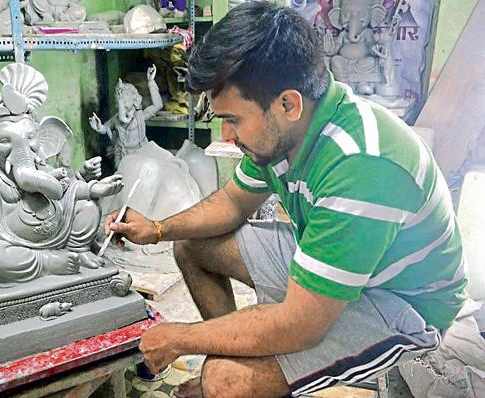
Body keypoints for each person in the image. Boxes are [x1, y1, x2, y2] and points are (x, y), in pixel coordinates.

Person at [104, 2, 466, 397]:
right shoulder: (288, 133)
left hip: (399, 303)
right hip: (347, 265)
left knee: (225, 382)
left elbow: (301, 323)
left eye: (234, 120)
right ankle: (239, 362)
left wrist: (184, 338)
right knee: (192, 245)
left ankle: (234, 374)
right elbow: (232, 203)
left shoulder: (363, 166)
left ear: (288, 104)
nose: (227, 136)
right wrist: (158, 229)